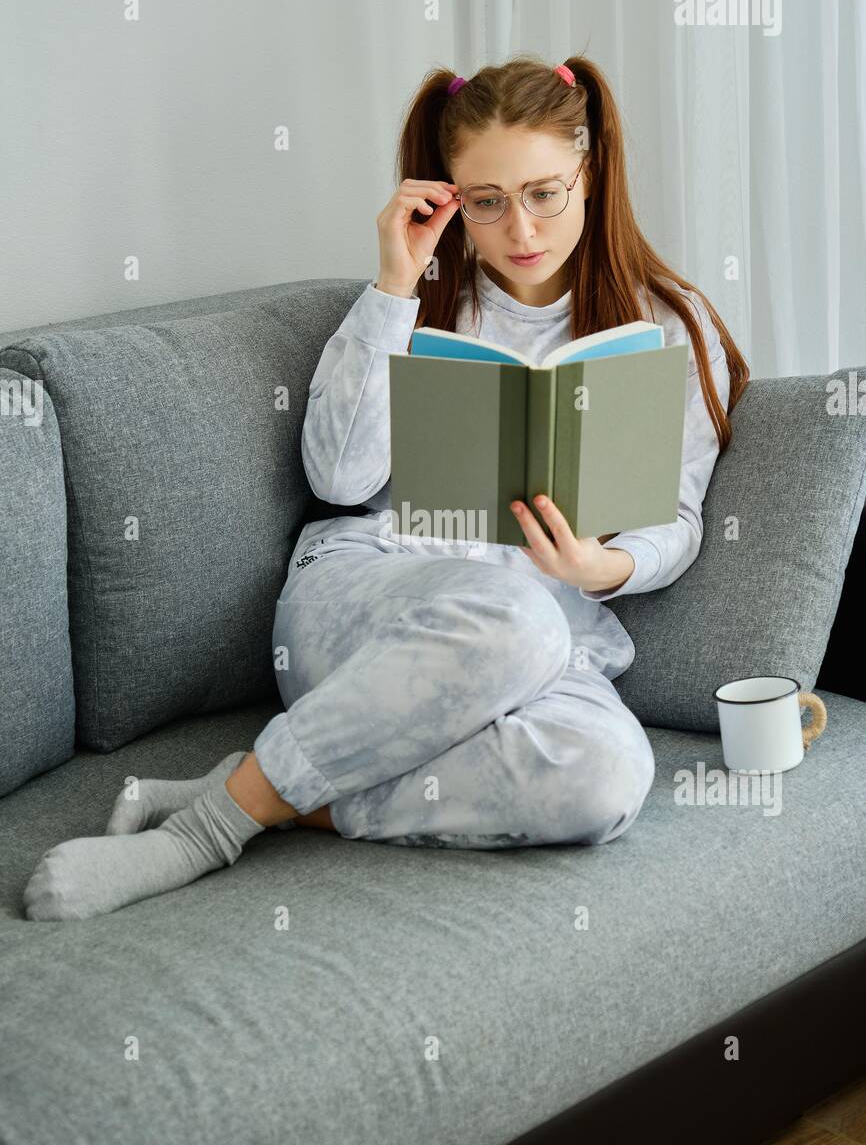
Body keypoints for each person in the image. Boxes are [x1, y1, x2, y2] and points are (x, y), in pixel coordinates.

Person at [23, 54, 749, 922]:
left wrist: (607, 569)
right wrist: (395, 283)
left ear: (588, 172)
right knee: (509, 616)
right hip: (367, 596)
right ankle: (206, 834)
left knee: (607, 778)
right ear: (451, 198)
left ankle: (271, 790)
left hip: (550, 627)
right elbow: (338, 478)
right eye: (486, 200)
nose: (520, 226)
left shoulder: (670, 323)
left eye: (545, 192)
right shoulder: (425, 302)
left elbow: (676, 516)